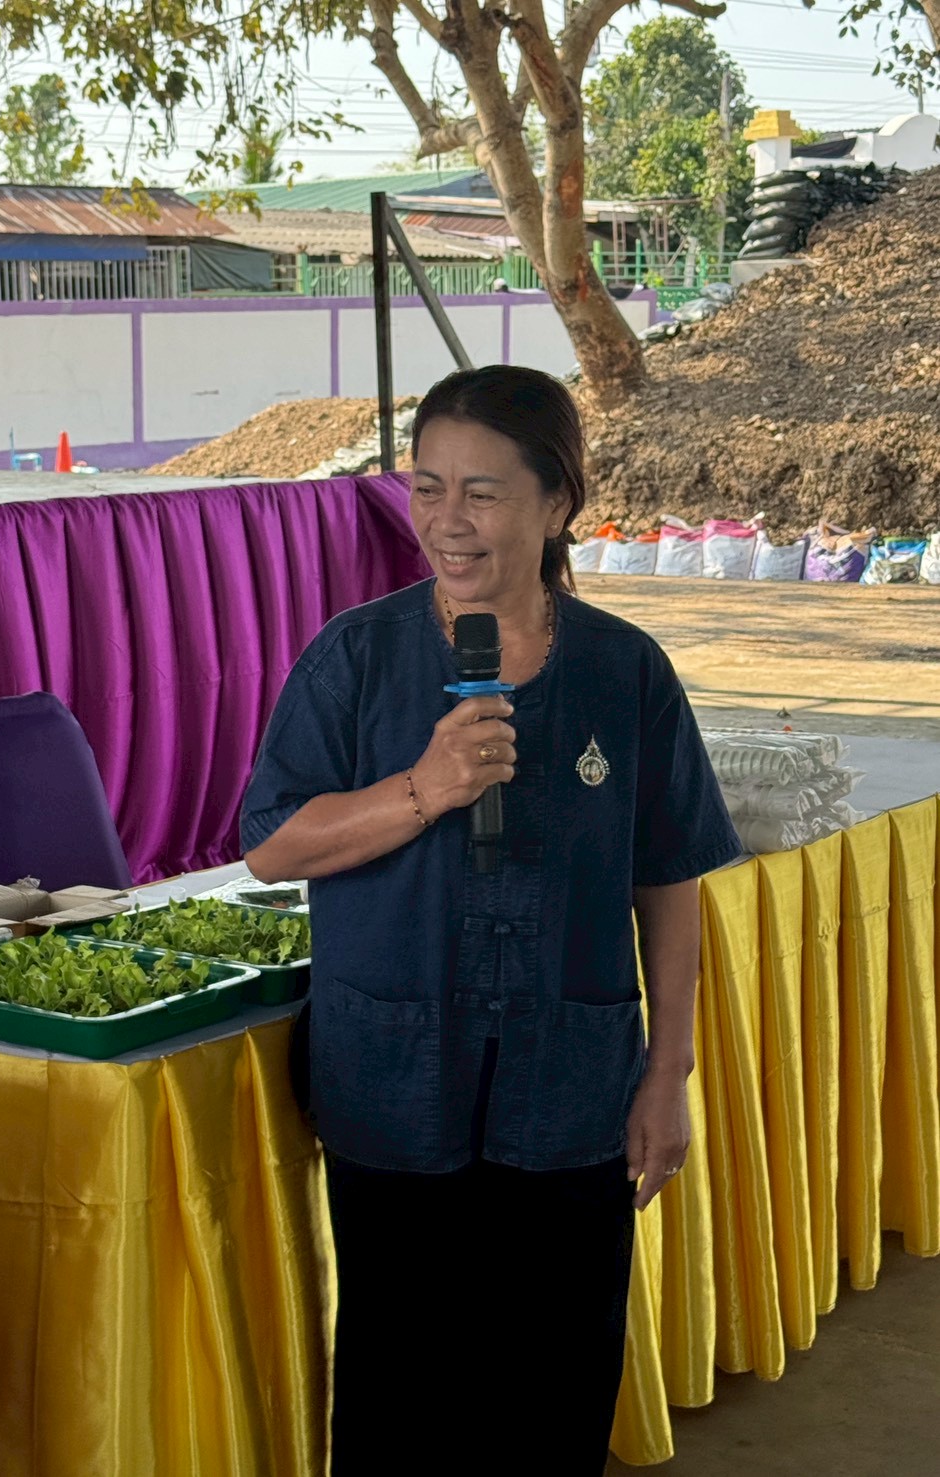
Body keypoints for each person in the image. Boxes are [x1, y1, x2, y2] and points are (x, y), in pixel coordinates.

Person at [240, 366, 742, 1476]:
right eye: (425, 489)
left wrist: (668, 1074)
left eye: (481, 492)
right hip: (394, 1082)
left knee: (554, 1388)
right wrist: (419, 790)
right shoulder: (356, 658)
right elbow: (273, 840)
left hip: (567, 1089)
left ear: (558, 501)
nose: (445, 524)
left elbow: (667, 878)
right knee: (401, 1392)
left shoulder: (625, 671)